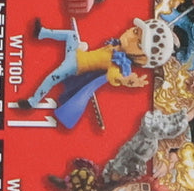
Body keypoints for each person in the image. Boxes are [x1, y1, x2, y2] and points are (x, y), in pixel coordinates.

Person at [11, 16, 177, 128]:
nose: (130, 37)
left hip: (75, 65)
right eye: (135, 31)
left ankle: (32, 102)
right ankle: (41, 33)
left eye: (139, 44)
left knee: (51, 78)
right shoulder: (116, 46)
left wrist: (124, 80)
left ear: (141, 58)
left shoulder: (117, 63)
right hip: (76, 53)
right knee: (70, 35)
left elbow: (112, 75)